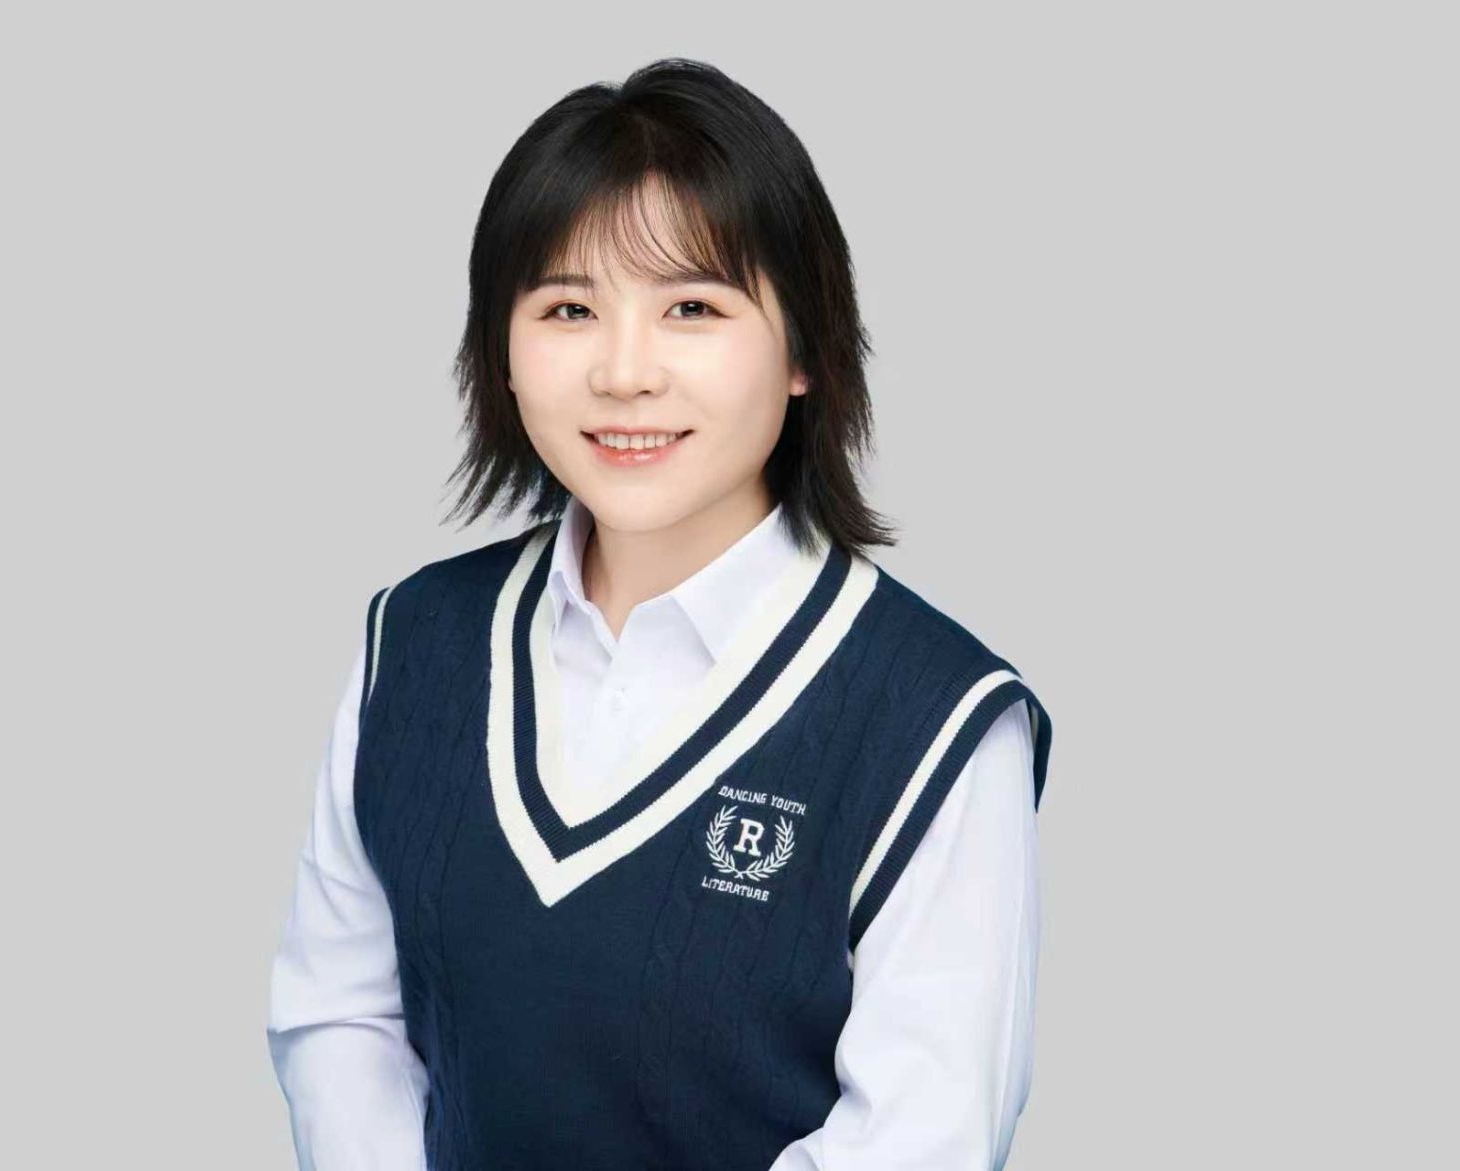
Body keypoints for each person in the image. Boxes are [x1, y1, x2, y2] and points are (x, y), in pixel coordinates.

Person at [266, 57, 1053, 1171]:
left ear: (803, 350)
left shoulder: (935, 718)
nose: (624, 372)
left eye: (691, 308)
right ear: (500, 350)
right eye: (568, 309)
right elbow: (340, 1013)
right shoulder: (415, 644)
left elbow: (919, 1139)